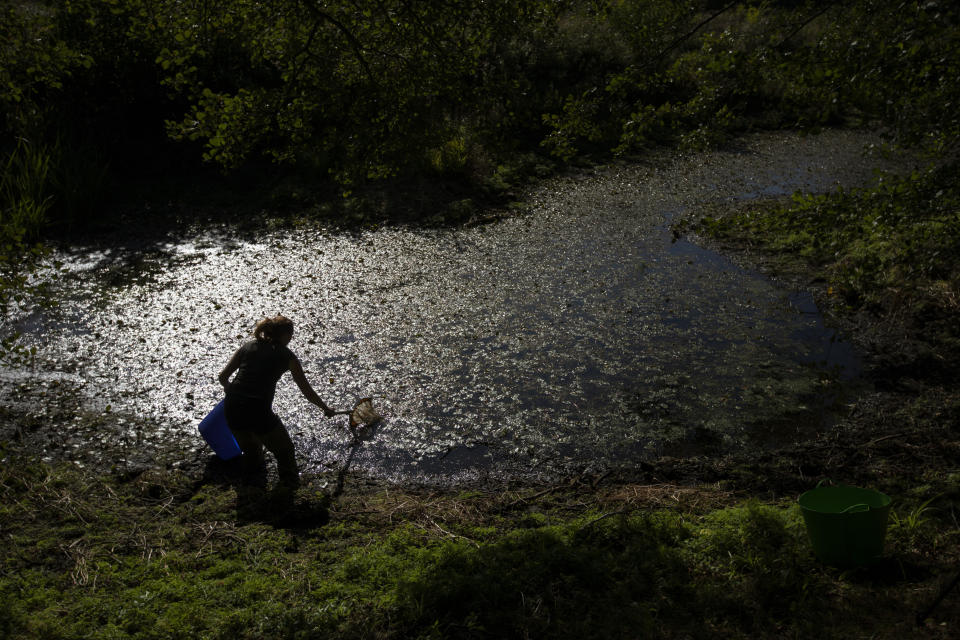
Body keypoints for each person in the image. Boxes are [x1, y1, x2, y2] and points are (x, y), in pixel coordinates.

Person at [218, 315, 335, 488]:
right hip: (258, 411)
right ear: (286, 335)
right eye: (291, 335)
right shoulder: (287, 356)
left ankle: (251, 491)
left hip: (232, 408)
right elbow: (306, 390)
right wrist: (325, 408)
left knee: (252, 452)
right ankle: (288, 488)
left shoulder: (248, 346)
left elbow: (222, 377)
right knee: (285, 451)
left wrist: (231, 389)